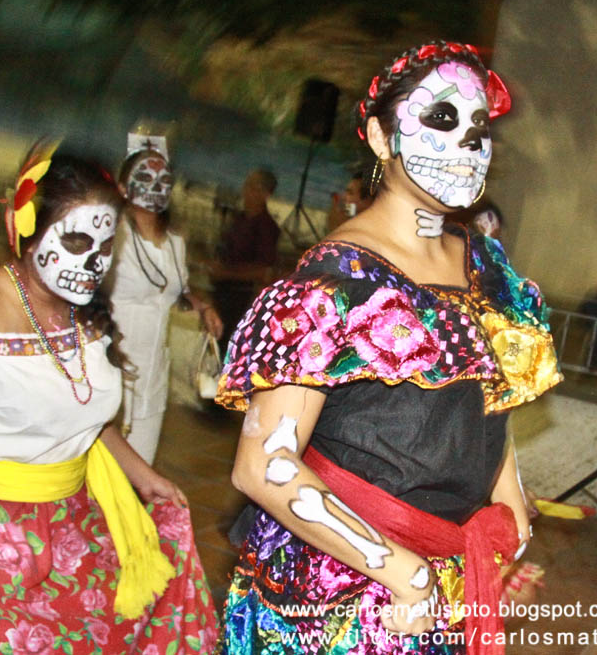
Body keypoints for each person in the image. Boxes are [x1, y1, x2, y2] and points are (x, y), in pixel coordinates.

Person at [216, 41, 561, 653]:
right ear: (379, 138)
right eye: (442, 119)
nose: (467, 145)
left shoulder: (485, 264)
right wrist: (402, 572)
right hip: (340, 587)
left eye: (479, 128)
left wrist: (507, 496)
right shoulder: (332, 283)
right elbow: (263, 467)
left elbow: (490, 390)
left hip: (445, 569)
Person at [0, 143, 219, 654]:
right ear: (28, 231)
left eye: (104, 247)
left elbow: (85, 414)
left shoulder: (78, 310)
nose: (93, 262)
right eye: (76, 240)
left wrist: (144, 476)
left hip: (67, 520)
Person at [107, 133, 223, 464]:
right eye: (144, 177)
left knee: (141, 466)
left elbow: (179, 291)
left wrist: (204, 306)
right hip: (113, 367)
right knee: (103, 470)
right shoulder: (113, 236)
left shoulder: (175, 244)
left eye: (164, 180)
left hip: (154, 372)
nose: (155, 186)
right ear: (122, 186)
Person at [209, 168, 280, 355]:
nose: (246, 191)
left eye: (253, 187)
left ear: (265, 194)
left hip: (240, 296)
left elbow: (264, 270)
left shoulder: (266, 227)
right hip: (222, 290)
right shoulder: (239, 218)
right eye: (247, 185)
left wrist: (226, 273)